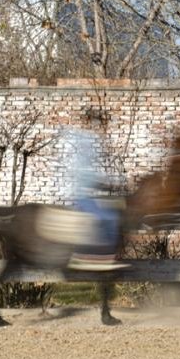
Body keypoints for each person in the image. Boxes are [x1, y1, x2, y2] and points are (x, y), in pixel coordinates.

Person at [65, 110, 125, 270]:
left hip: (87, 193)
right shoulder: (84, 143)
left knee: (116, 209)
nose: (99, 127)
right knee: (111, 217)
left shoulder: (86, 141)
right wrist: (105, 184)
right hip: (83, 195)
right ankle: (96, 256)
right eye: (97, 123)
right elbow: (84, 174)